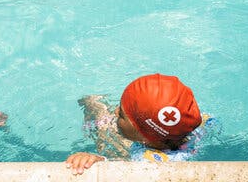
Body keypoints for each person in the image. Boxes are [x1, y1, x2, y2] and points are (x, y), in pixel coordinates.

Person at [65, 73, 216, 175]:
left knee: (101, 124)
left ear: (146, 137)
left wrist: (99, 161)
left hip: (132, 151)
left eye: (122, 115)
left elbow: (125, 172)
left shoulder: (147, 161)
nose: (116, 111)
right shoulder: (198, 124)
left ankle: (92, 103)